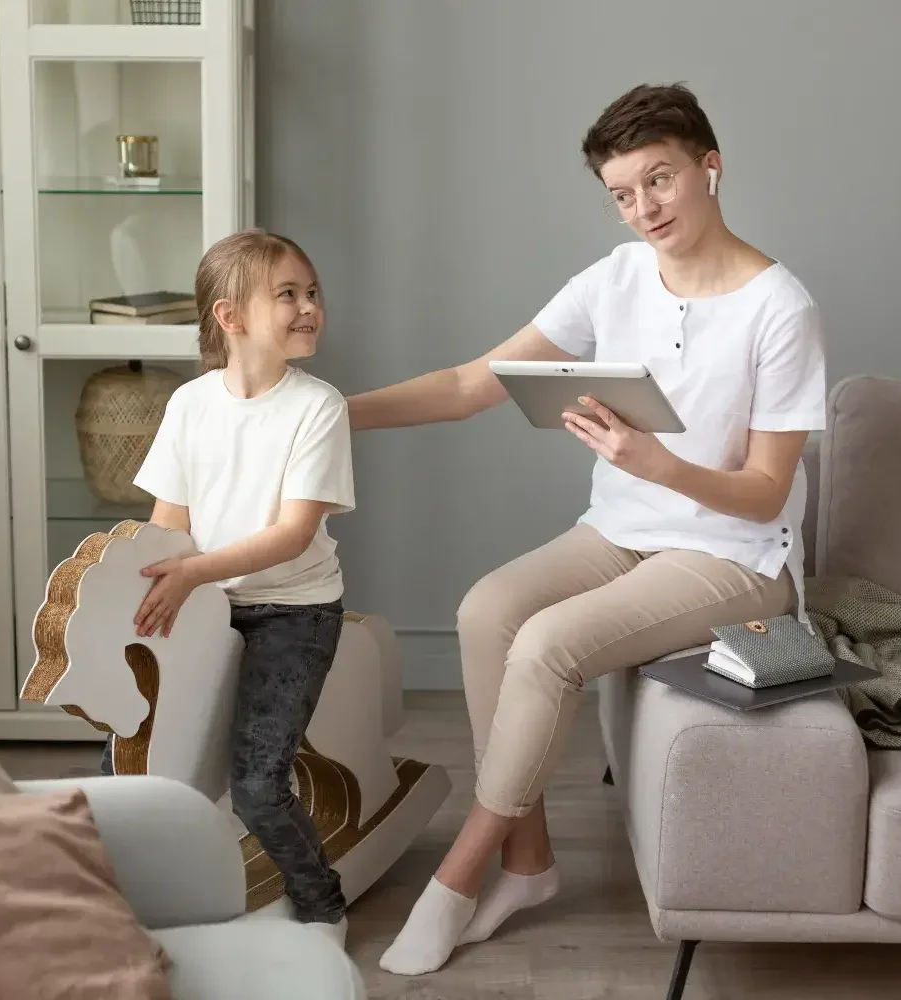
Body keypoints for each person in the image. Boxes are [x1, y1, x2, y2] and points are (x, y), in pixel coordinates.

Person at [347, 83, 827, 975]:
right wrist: (330, 414)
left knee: (548, 645)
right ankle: (529, 864)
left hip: (734, 556)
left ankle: (456, 878)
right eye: (622, 193)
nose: (644, 208)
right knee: (487, 611)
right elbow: (468, 386)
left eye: (660, 180)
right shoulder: (615, 278)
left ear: (710, 167)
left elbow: (766, 494)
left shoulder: (779, 308)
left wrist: (657, 462)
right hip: (620, 531)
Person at [100, 230, 355, 947]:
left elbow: (292, 535)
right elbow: (169, 523)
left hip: (292, 611)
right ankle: (132, 893)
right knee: (130, 756)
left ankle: (323, 906)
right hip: (206, 601)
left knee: (257, 784)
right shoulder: (189, 404)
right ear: (230, 316)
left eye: (312, 292)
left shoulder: (319, 407)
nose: (309, 307)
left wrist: (191, 574)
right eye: (288, 294)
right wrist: (158, 585)